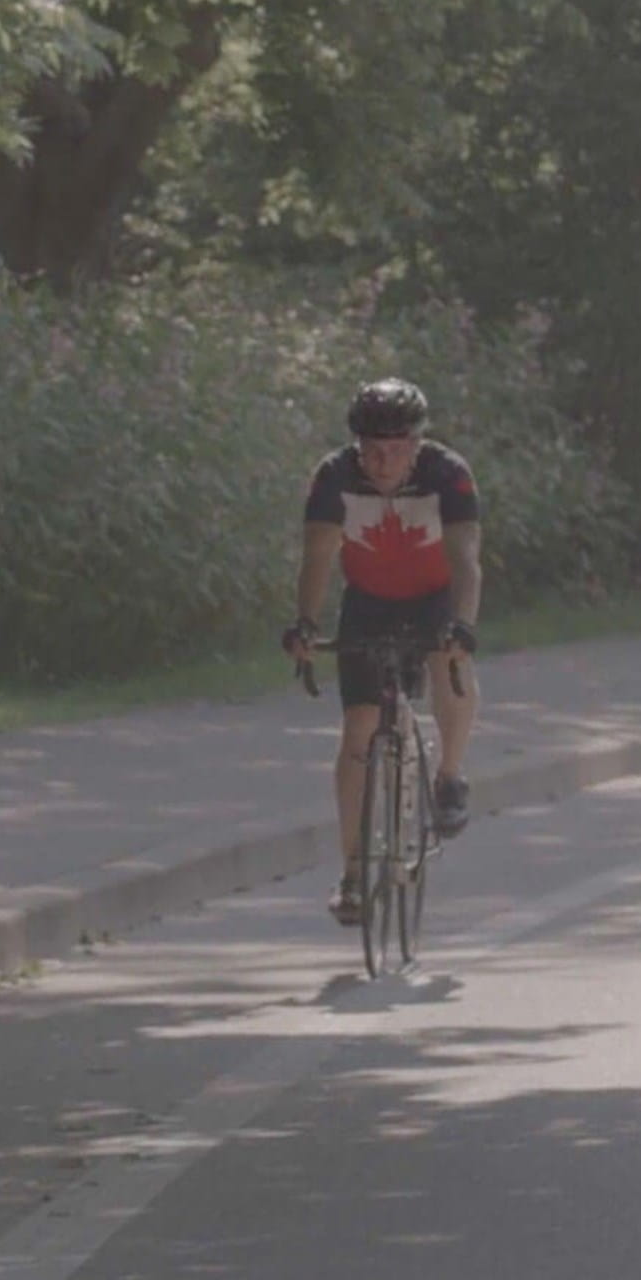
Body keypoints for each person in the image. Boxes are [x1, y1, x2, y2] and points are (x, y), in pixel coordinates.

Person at [281, 377, 482, 926]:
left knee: (450, 661)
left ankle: (450, 775)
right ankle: (351, 873)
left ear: (418, 445)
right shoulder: (334, 476)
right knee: (358, 734)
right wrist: (304, 623)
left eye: (396, 451)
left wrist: (463, 625)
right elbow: (318, 556)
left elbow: (466, 559)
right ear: (356, 445)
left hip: (434, 597)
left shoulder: (448, 474)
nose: (384, 462)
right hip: (369, 601)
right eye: (372, 450)